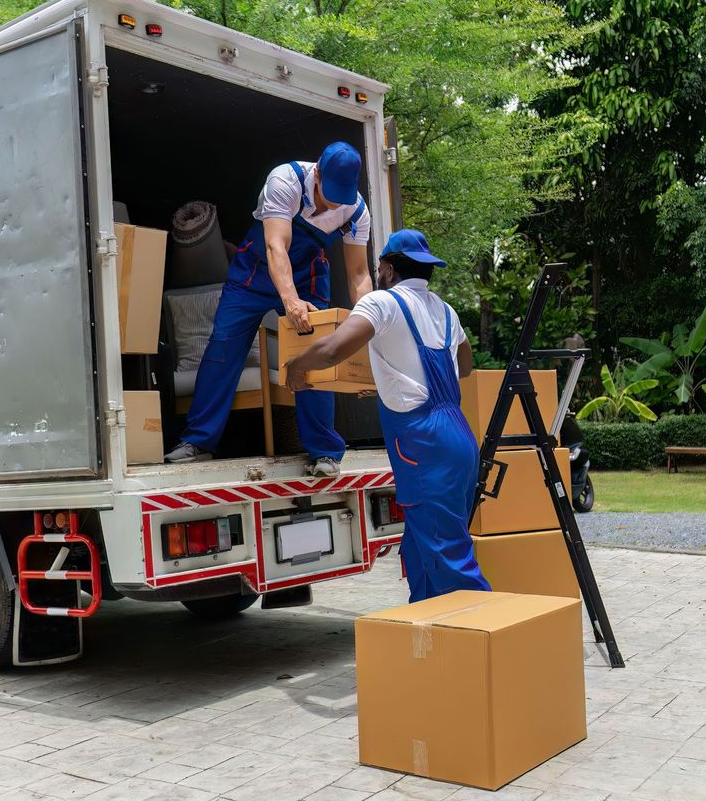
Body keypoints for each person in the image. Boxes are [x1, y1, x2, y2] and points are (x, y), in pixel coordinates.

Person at [284, 229, 490, 602]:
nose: (377, 274)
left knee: (449, 558)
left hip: (424, 443)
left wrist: (297, 366)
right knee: (420, 548)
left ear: (390, 269)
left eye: (379, 267)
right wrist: (393, 382)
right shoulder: (446, 311)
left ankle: (487, 643)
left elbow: (332, 350)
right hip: (458, 436)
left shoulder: (382, 303)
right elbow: (464, 366)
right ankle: (430, 638)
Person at [165, 142, 373, 476]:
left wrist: (368, 323)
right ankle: (198, 442)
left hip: (309, 277)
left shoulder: (357, 211)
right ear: (317, 173)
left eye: (340, 197)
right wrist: (291, 302)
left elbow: (360, 275)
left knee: (317, 354)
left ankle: (325, 452)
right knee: (223, 347)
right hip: (256, 272)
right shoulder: (285, 180)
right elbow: (277, 246)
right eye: (327, 193)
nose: (331, 203)